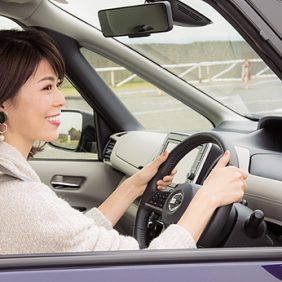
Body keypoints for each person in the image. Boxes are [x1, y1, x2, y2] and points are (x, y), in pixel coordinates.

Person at [0, 29, 248, 254]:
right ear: (3, 103)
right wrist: (208, 198)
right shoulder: (21, 199)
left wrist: (134, 186)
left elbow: (68, 240)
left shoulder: (16, 191)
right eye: (46, 88)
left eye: (58, 86)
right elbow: (144, 269)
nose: (61, 100)